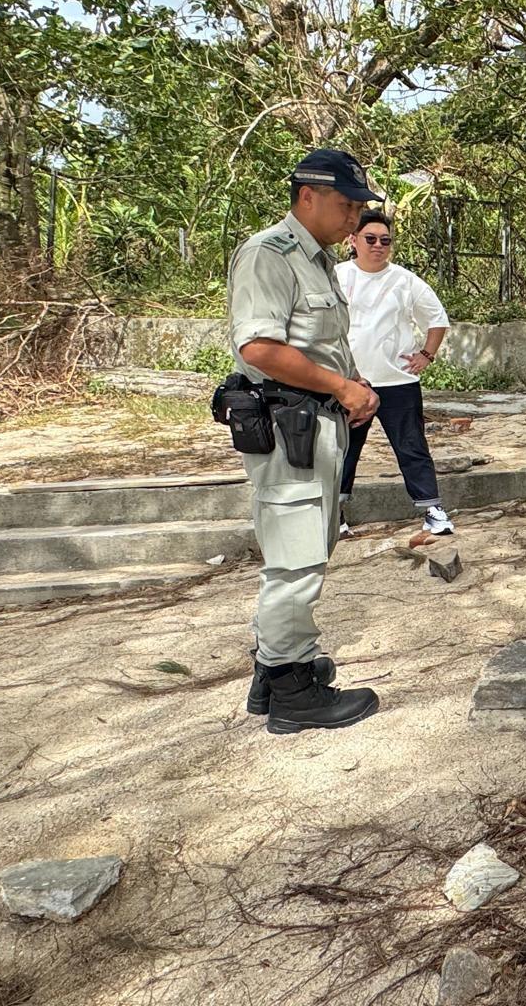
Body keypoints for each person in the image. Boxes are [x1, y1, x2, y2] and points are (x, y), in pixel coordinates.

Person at [226, 148, 383, 734]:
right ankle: (293, 693)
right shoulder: (270, 254)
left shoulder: (316, 262)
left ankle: (277, 672)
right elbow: (259, 349)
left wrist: (347, 388)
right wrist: (340, 387)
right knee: (295, 562)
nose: (354, 217)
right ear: (307, 196)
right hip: (289, 429)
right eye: (346, 204)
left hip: (315, 427)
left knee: (309, 547)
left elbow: (316, 346)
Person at [336, 209, 455, 537]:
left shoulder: (405, 280)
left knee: (412, 446)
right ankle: (335, 514)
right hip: (349, 382)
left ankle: (432, 509)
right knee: (343, 449)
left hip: (398, 381)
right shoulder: (336, 276)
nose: (378, 246)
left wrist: (426, 355)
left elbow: (437, 319)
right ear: (353, 240)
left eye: (385, 240)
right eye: (370, 239)